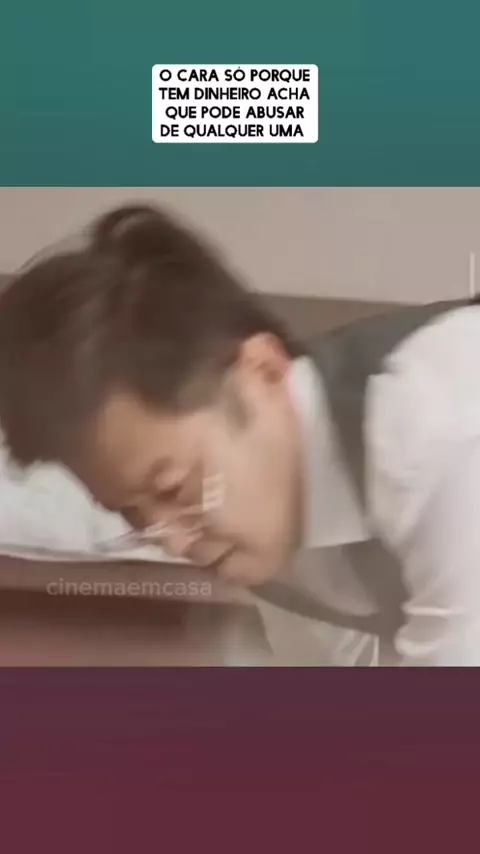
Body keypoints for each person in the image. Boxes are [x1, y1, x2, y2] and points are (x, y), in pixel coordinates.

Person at [0, 202, 479, 666]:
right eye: (132, 514)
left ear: (263, 371)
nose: (176, 544)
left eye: (173, 489)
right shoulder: (273, 533)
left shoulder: (432, 415)